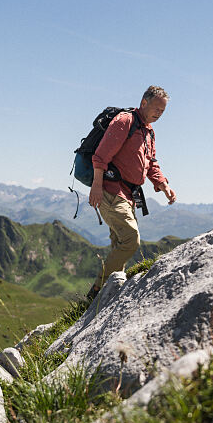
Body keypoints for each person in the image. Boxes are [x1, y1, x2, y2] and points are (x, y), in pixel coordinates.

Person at [86, 85, 177, 298]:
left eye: (163, 111)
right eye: (156, 109)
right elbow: (100, 156)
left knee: (120, 243)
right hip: (111, 190)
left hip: (128, 195)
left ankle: (109, 294)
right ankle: (97, 291)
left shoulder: (148, 131)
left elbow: (151, 162)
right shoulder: (125, 121)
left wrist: (164, 185)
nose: (159, 114)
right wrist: (97, 186)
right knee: (130, 239)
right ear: (143, 102)